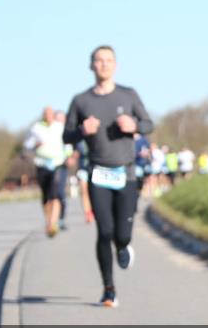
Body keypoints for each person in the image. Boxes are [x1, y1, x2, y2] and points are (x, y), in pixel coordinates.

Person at [64, 45, 154, 308]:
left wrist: (134, 125)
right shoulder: (81, 101)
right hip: (98, 174)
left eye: (108, 60)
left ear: (115, 65)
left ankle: (123, 246)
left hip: (126, 173)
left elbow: (149, 124)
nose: (103, 64)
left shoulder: (128, 94)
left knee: (122, 235)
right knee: (104, 231)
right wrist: (82, 130)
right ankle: (108, 290)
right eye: (99, 60)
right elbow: (66, 136)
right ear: (91, 65)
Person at [24, 106, 68, 237]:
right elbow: (27, 144)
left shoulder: (59, 127)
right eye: (46, 114)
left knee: (55, 193)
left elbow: (67, 142)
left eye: (50, 114)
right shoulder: (36, 128)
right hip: (42, 163)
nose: (48, 116)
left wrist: (69, 155)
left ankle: (53, 223)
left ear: (53, 115)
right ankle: (48, 221)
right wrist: (35, 144)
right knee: (46, 196)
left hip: (57, 162)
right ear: (43, 115)